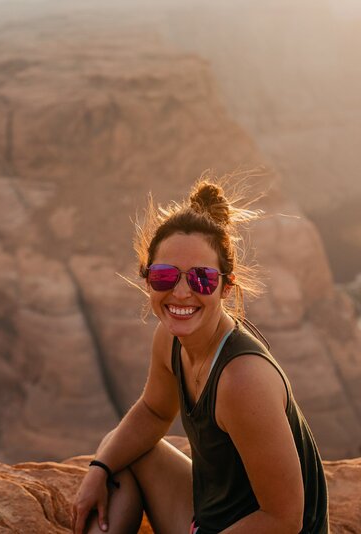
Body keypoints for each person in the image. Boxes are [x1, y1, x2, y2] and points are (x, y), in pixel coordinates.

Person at [72, 177, 329, 534]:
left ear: (226, 286)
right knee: (116, 452)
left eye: (201, 279)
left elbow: (284, 519)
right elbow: (153, 411)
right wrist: (97, 470)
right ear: (147, 279)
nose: (181, 293)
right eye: (164, 276)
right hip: (210, 518)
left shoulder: (242, 380)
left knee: (117, 450)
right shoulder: (169, 340)